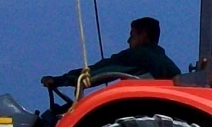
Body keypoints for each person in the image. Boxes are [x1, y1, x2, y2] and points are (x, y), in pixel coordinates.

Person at [43, 17, 181, 90]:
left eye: (132, 35)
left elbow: (104, 70)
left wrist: (61, 80)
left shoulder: (140, 56)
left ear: (143, 35)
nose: (128, 40)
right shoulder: (164, 61)